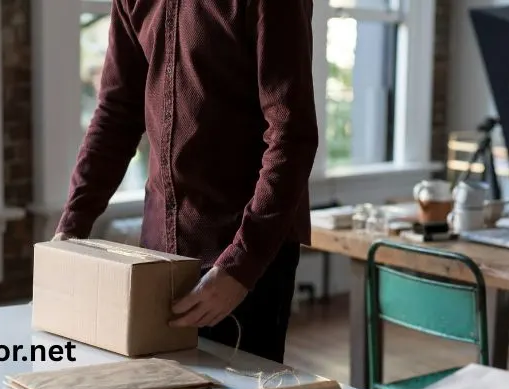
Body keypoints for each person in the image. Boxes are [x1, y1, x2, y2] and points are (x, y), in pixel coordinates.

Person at [52, 1, 319, 364]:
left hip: (245, 254)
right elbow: (116, 113)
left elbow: (292, 135)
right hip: (157, 254)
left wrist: (240, 268)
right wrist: (71, 228)